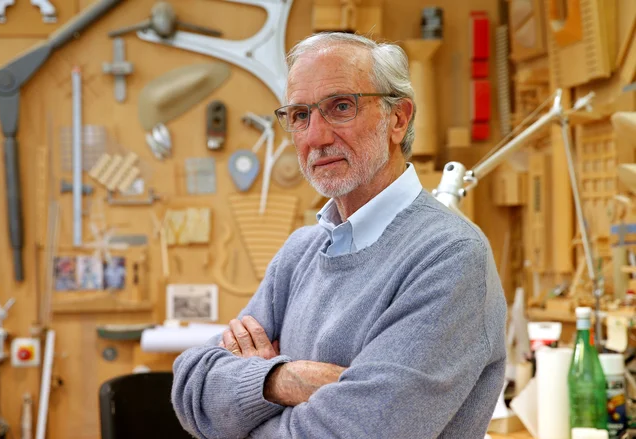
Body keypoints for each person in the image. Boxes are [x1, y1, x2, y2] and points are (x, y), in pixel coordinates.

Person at [171, 32, 507, 439]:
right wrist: (284, 379)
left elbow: (357, 432)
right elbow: (190, 389)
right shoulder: (301, 252)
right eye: (299, 115)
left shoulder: (451, 258)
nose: (315, 136)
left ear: (397, 119)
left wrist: (245, 402)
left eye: (341, 107)